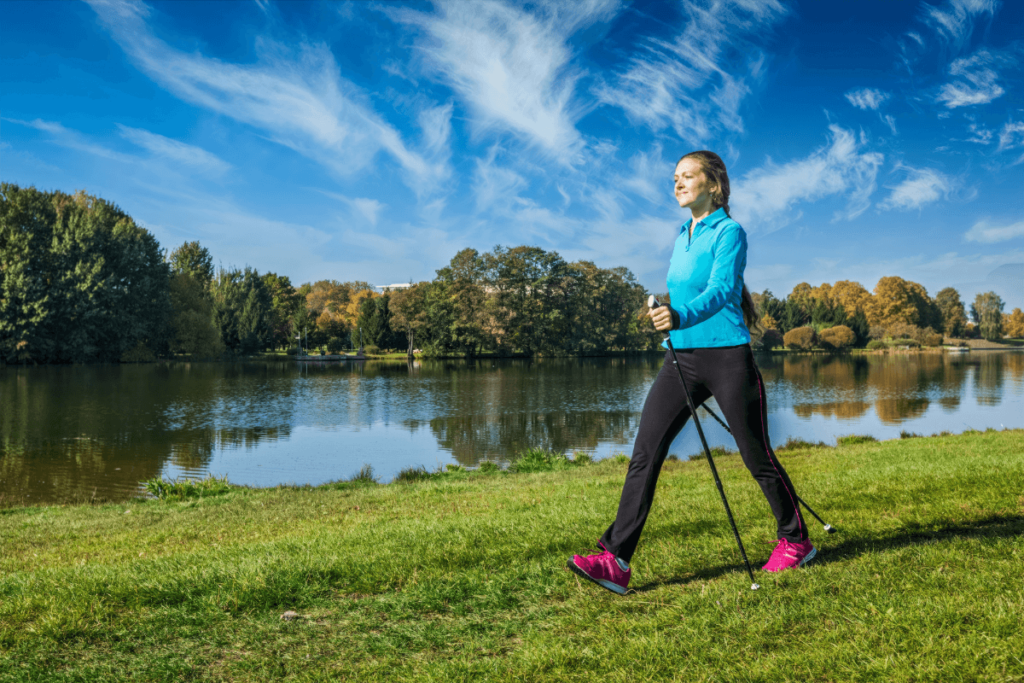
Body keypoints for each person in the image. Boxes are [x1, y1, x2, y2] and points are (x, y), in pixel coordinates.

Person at [567, 150, 815, 595]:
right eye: (675, 178)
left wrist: (679, 315)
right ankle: (616, 560)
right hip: (680, 358)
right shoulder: (683, 234)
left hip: (727, 358)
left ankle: (796, 541)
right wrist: (667, 317)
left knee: (756, 455)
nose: (677, 184)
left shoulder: (730, 232)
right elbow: (681, 294)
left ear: (714, 185)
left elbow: (722, 290)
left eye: (687, 176)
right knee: (646, 452)